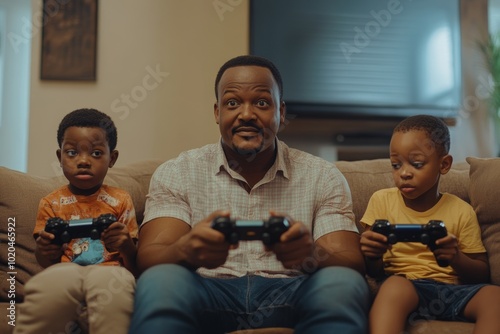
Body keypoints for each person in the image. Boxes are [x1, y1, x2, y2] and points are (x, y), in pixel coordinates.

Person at [128, 55, 369, 334]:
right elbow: (150, 257)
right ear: (217, 112)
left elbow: (351, 262)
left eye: (262, 103)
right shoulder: (178, 171)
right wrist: (187, 250)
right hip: (206, 290)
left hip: (293, 292)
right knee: (161, 280)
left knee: (342, 282)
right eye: (232, 103)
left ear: (281, 111)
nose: (246, 114)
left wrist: (310, 254)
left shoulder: (322, 176)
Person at [359, 114, 500, 334]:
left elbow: (480, 274)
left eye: (416, 164)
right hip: (405, 286)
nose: (404, 173)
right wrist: (372, 254)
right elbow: (372, 270)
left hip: (453, 290)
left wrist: (456, 257)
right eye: (395, 165)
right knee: (395, 287)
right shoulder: (381, 200)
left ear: (444, 164)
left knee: (494, 296)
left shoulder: (461, 210)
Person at [15, 108, 138, 334]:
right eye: (72, 153)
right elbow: (45, 262)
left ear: (112, 158)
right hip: (66, 270)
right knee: (52, 283)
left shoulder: (121, 199)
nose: (83, 161)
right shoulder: (51, 203)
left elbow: (132, 263)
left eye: (96, 153)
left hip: (110, 271)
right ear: (59, 156)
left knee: (117, 286)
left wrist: (125, 245)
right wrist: (45, 248)